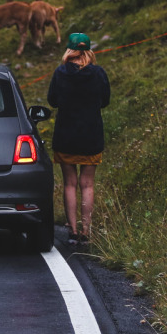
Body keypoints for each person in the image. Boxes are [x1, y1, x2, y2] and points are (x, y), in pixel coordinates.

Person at [46, 32, 111, 246]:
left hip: (66, 135)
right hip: (91, 135)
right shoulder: (98, 73)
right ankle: (86, 230)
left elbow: (52, 101)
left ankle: (72, 231)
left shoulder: (60, 72)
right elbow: (105, 101)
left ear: (69, 50)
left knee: (70, 183)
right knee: (87, 184)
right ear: (88, 50)